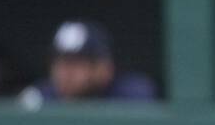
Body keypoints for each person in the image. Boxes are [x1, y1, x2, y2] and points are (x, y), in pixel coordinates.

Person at [19, 21, 156, 109]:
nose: (64, 74)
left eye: (75, 64)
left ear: (103, 68)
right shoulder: (40, 96)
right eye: (59, 63)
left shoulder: (129, 93)